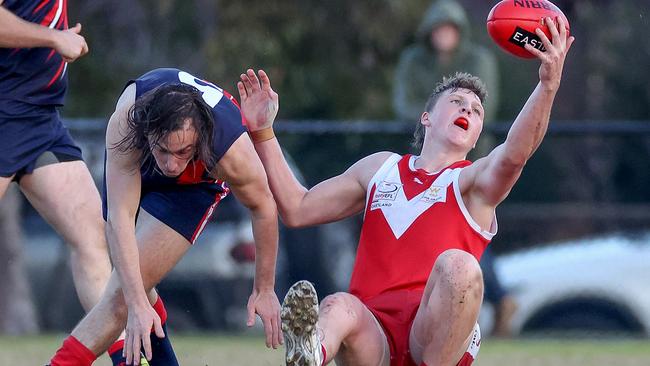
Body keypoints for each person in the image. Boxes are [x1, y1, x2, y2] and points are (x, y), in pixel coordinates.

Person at [241, 16, 573, 366]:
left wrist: (547, 85)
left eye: (476, 111)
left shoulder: (472, 182)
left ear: (477, 137)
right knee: (339, 305)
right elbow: (297, 207)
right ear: (426, 118)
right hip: (374, 336)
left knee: (460, 265)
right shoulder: (380, 168)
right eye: (457, 101)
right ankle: (310, 352)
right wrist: (263, 132)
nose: (467, 109)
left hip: (431, 339)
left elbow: (515, 154)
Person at [48, 68, 283, 366]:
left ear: (200, 136)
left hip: (195, 186)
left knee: (124, 290)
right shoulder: (126, 125)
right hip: (139, 162)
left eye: (183, 151)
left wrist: (264, 288)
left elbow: (263, 206)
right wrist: (136, 304)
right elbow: (119, 217)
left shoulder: (228, 149)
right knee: (131, 289)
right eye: (164, 150)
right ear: (147, 132)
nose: (172, 164)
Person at [0, 0, 113, 328]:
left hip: (40, 118)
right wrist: (53, 38)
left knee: (95, 240)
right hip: (4, 113)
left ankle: (127, 359)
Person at [393, 0, 499, 157]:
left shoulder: (479, 60)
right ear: (429, 31)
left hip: (471, 151)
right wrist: (437, 121)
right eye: (438, 28)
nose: (444, 34)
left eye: (450, 28)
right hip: (424, 147)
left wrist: (447, 120)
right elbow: (403, 103)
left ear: (460, 31)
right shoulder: (413, 59)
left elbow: (485, 107)